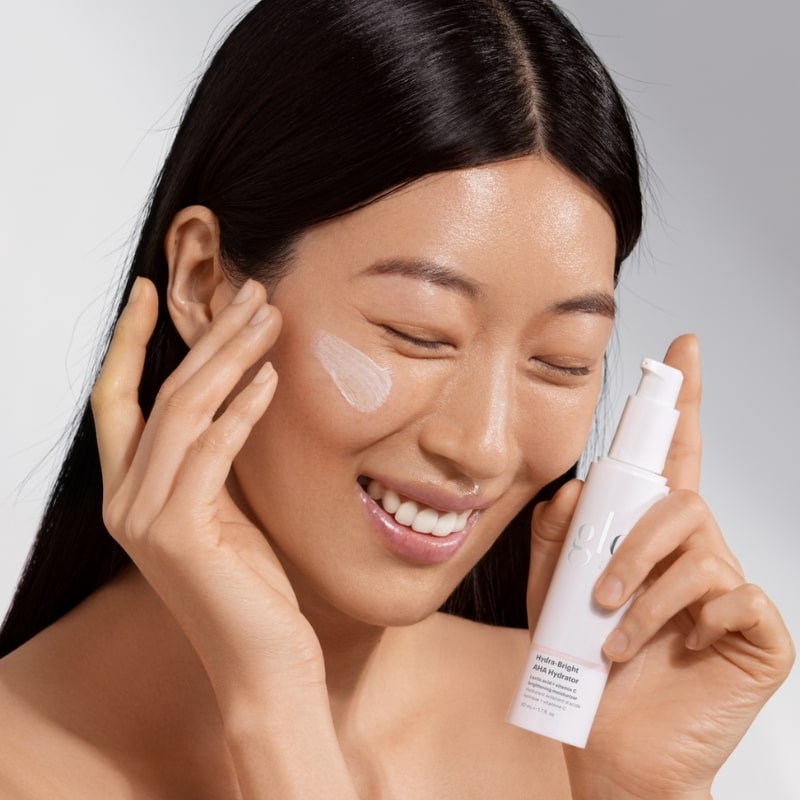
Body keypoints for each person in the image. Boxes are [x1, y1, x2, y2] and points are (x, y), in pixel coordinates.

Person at [0, 0, 793, 797]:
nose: (482, 445)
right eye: (419, 333)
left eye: (561, 361)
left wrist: (637, 793)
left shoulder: (592, 740)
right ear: (206, 283)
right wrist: (273, 699)